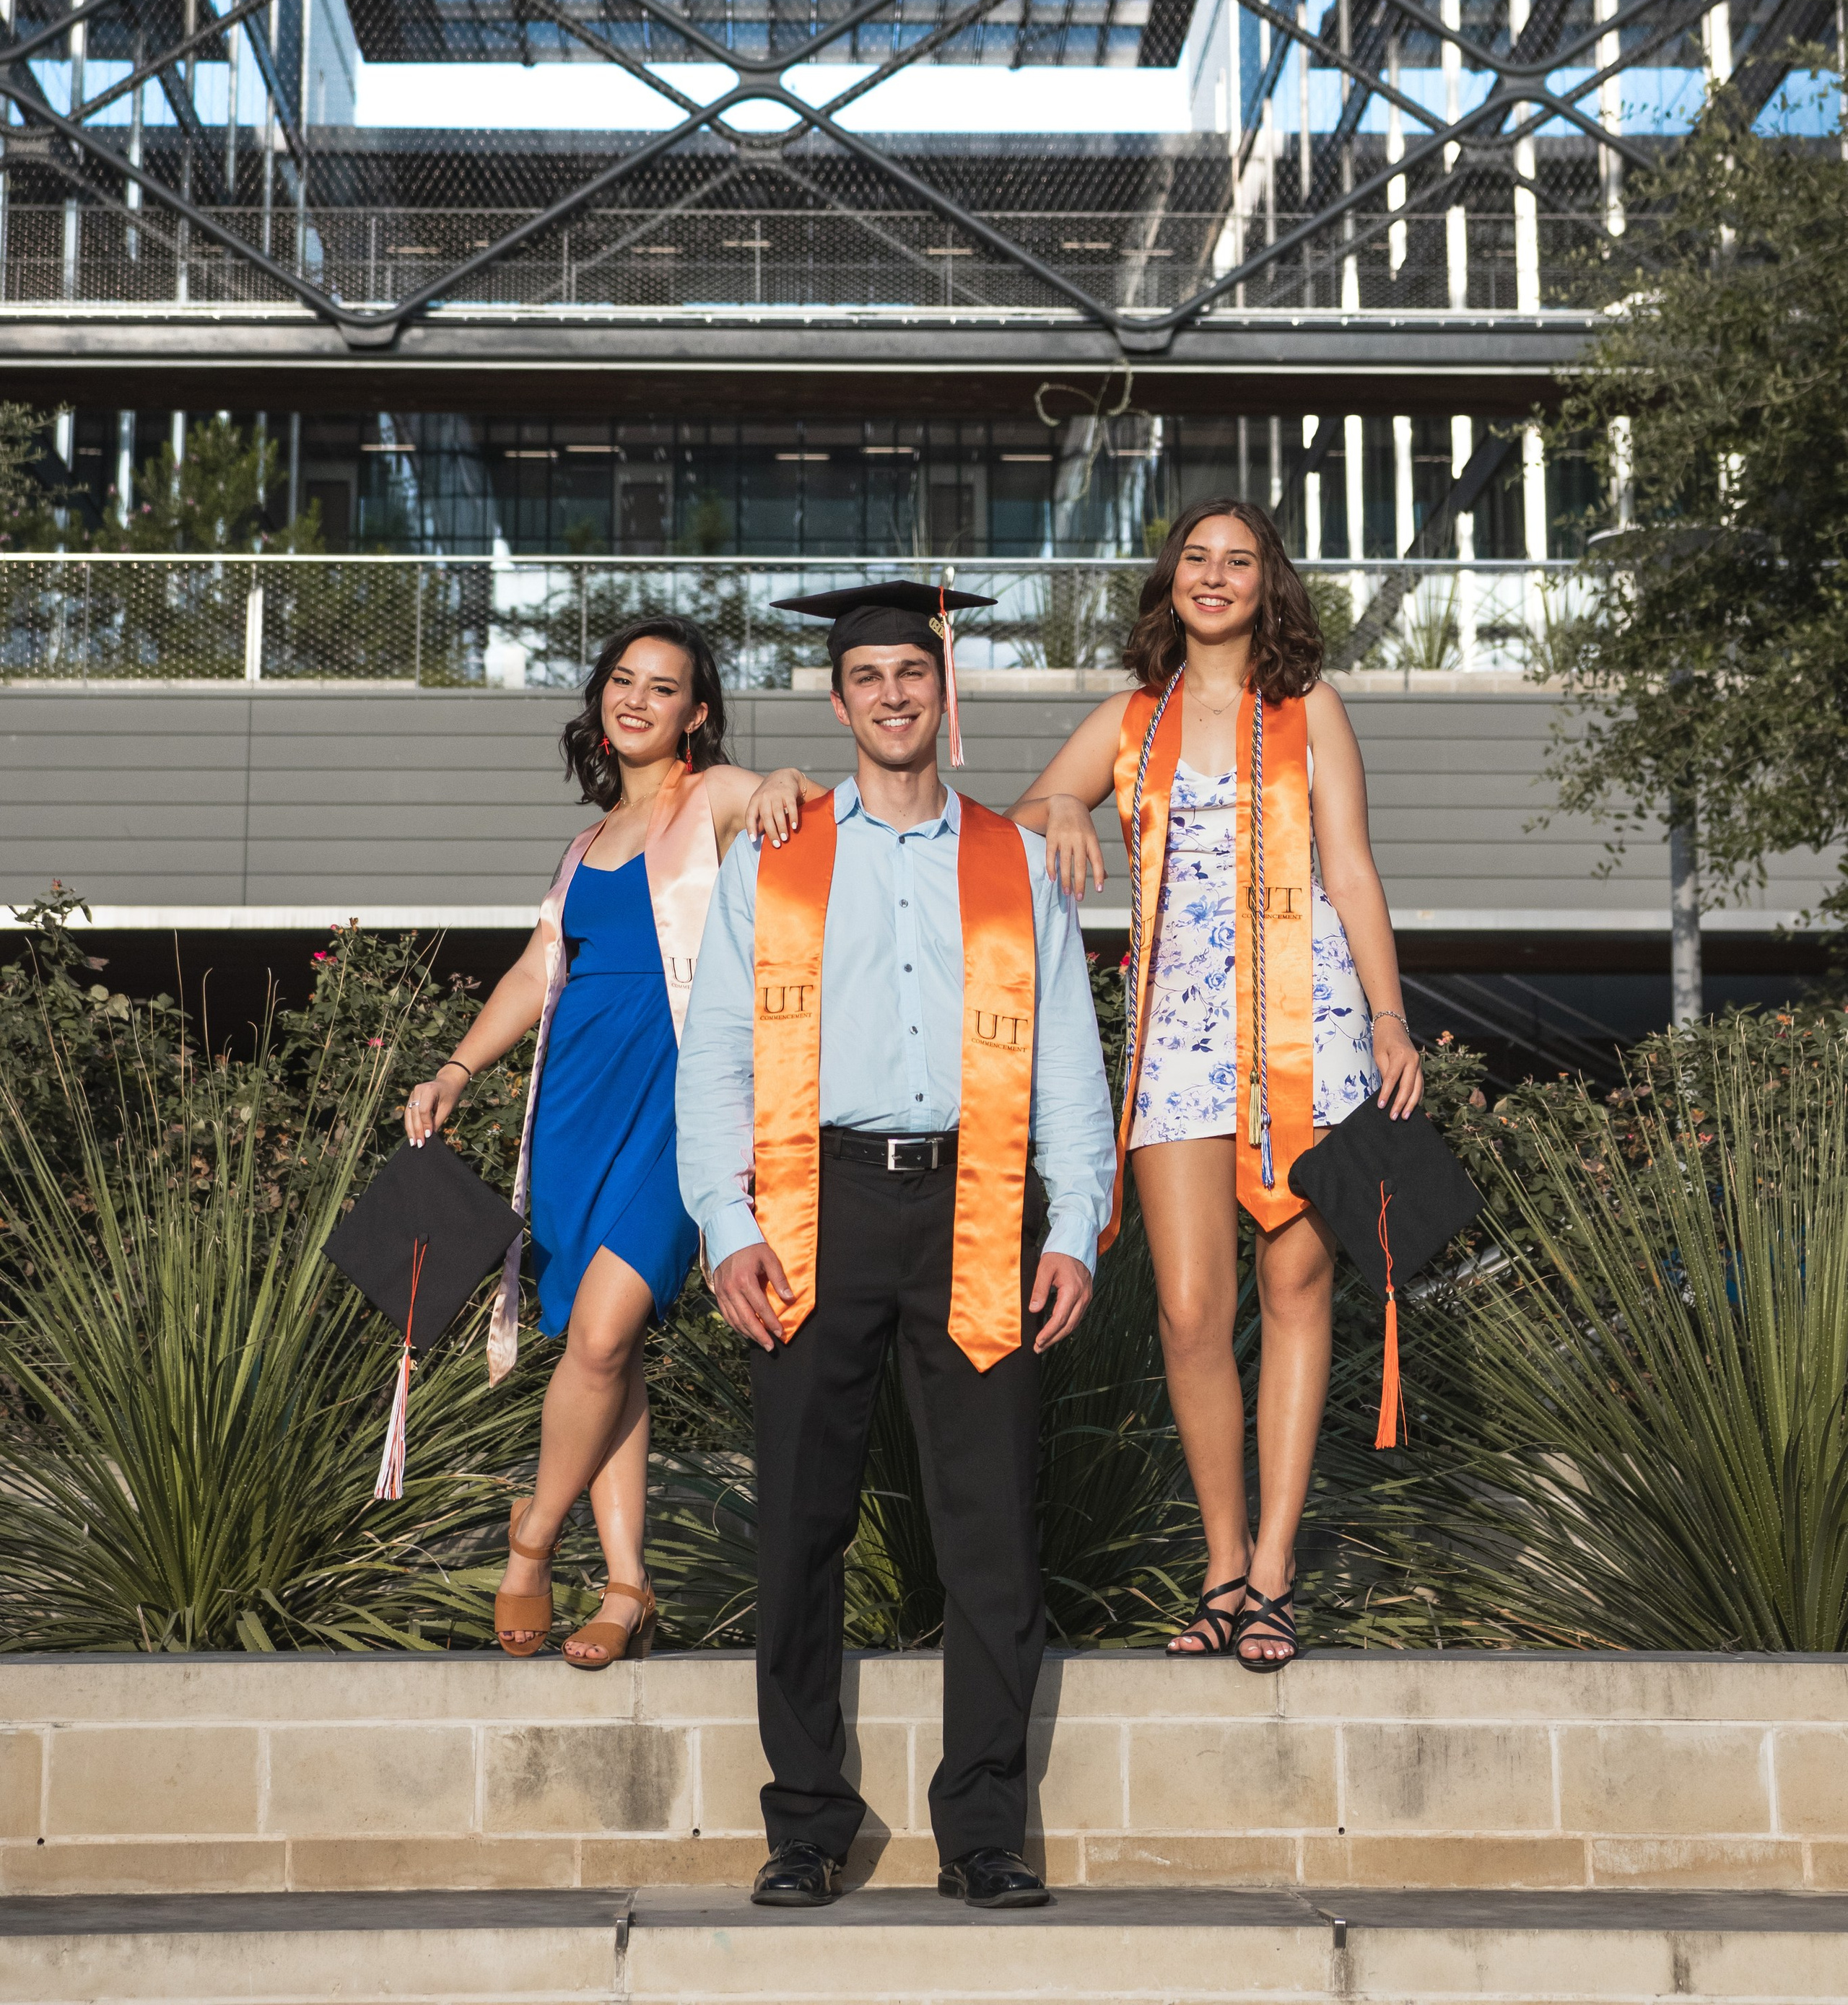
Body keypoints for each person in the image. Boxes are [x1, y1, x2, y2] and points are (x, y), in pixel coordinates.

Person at [675, 580, 1117, 1913]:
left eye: (911, 672)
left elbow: (1069, 1054)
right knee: (797, 1527)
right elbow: (719, 1053)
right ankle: (808, 1823)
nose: (892, 694)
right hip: (816, 1206)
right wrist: (727, 1224)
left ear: (944, 687)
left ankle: (983, 1831)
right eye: (866, 676)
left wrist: (1076, 1222)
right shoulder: (778, 853)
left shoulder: (1014, 859)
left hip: (977, 1205)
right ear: (837, 700)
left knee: (992, 1531)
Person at [1009, 498, 1423, 1672]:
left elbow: (1351, 867)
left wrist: (1391, 1017)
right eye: (1196, 556)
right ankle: (1221, 1557)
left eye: (1239, 560)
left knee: (1295, 1283)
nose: (1215, 574)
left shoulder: (1309, 708)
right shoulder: (1129, 718)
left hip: (1312, 1019)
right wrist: (1066, 804)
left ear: (1267, 583)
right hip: (1177, 1033)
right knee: (1190, 1309)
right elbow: (1015, 823)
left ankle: (1273, 1572)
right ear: (1170, 579)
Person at [401, 616, 806, 1668]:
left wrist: (784, 780)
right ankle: (628, 1585)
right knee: (608, 1352)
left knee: (600, 1335)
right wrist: (456, 1069)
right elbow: (539, 971)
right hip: (575, 1110)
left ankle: (532, 1535)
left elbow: (800, 797)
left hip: (682, 1115)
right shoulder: (584, 848)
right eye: (623, 679)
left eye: (662, 687)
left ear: (695, 714)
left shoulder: (712, 798)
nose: (636, 698)